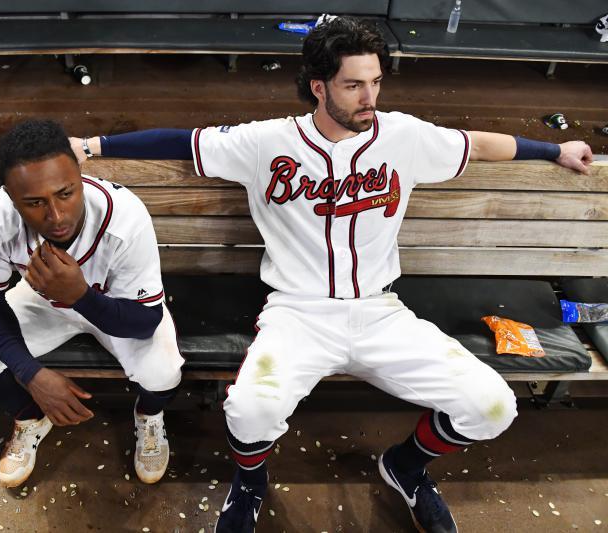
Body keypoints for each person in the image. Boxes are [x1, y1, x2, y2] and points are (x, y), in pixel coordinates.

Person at [69, 16, 593, 533]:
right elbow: (182, 142)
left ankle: (404, 469)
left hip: (381, 311)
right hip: (299, 312)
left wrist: (556, 149)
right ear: (318, 87)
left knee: (494, 406)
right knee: (249, 411)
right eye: (353, 85)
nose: (370, 96)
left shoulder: (404, 135)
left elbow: (477, 144)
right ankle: (250, 484)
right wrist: (92, 148)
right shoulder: (267, 142)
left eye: (376, 82)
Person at [0, 120, 184, 488]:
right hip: (43, 301)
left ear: (80, 176)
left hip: (114, 303)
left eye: (65, 193)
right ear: (10, 197)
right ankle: (30, 418)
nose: (56, 216)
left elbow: (145, 322)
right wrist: (31, 374)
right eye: (35, 202)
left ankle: (149, 415)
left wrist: (81, 297)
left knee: (163, 373)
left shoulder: (124, 216)